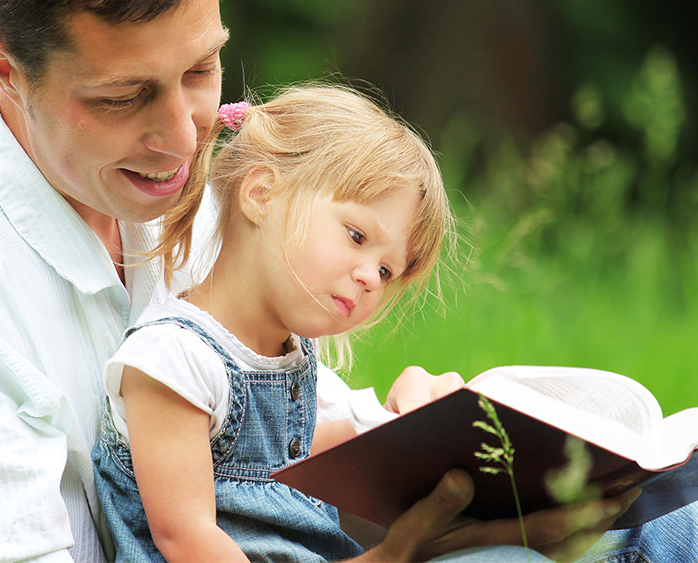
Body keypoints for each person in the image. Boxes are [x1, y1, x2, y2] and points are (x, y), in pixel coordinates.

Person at [0, 1, 698, 561]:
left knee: (687, 515)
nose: (182, 138)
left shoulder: (218, 185)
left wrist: (424, 438)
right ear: (6, 71)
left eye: (200, 74)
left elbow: (274, 415)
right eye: (121, 96)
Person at [91, 85, 456, 561]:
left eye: (388, 271)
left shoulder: (292, 354)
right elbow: (185, 536)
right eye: (356, 235)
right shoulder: (173, 360)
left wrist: (394, 427)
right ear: (261, 193)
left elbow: (274, 467)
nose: (370, 278)